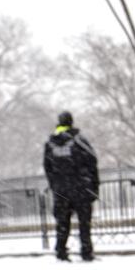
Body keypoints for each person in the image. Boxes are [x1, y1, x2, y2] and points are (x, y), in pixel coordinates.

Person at [43, 111, 100, 262]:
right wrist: (94, 187)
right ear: (71, 122)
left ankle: (61, 252)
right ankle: (86, 252)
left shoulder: (50, 143)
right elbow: (92, 161)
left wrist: (55, 185)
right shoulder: (79, 140)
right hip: (80, 189)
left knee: (62, 223)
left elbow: (47, 167)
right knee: (84, 223)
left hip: (61, 191)